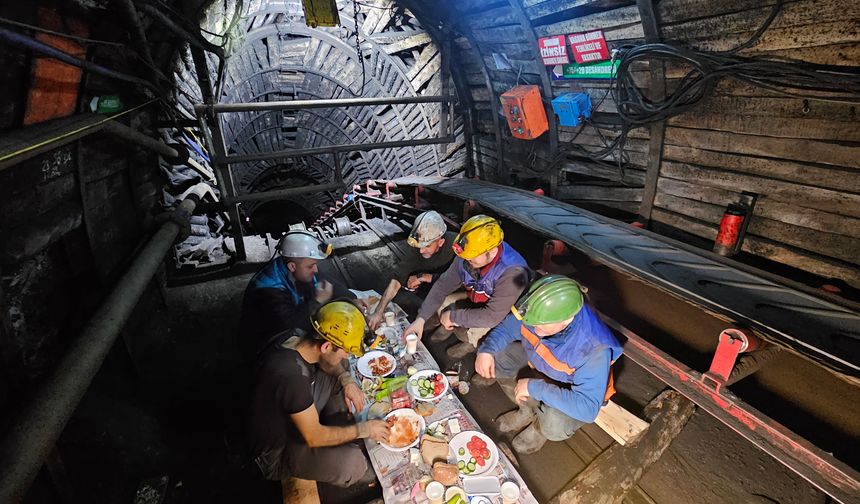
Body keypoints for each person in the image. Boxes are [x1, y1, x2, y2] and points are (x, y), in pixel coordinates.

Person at [473, 275, 623, 454]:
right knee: (496, 356)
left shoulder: (594, 349)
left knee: (555, 422)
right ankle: (525, 412)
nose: (532, 328)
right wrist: (486, 350)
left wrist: (534, 387)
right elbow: (507, 328)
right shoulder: (538, 310)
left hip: (573, 390)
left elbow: (588, 409)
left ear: (567, 319)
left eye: (540, 326)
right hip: (542, 364)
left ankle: (539, 428)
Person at [248, 300, 390, 487]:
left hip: (294, 412)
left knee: (341, 369)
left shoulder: (297, 337)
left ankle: (337, 428)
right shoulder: (292, 377)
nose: (346, 355)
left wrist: (346, 379)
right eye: (345, 351)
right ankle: (337, 442)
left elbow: (328, 361)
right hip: (278, 450)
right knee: (354, 464)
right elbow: (314, 437)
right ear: (325, 346)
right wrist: (365, 429)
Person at [403, 215, 531, 359]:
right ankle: (450, 328)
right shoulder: (468, 254)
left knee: (476, 329)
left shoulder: (513, 272)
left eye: (471, 257)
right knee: (444, 303)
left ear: (493, 252)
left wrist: (454, 317)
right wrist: (420, 318)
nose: (467, 261)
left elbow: (492, 316)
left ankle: (472, 343)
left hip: (503, 313)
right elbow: (442, 285)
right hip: (477, 295)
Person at [240, 230, 363, 358]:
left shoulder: (299, 266)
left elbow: (327, 282)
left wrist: (352, 299)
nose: (315, 269)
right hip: (265, 347)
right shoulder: (267, 290)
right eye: (311, 266)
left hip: (292, 326)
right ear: (292, 266)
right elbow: (291, 327)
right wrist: (317, 301)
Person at [367, 210, 455, 330]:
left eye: (427, 246)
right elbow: (396, 281)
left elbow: (458, 279)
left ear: (441, 242)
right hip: (430, 288)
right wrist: (378, 311)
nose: (421, 251)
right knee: (401, 300)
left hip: (452, 288)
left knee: (447, 309)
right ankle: (430, 322)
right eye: (419, 246)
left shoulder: (455, 246)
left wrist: (423, 276)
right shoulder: (416, 245)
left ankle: (444, 328)